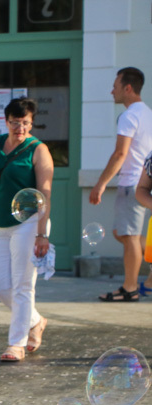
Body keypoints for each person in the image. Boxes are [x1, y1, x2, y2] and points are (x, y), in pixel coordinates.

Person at [0, 97, 53, 362]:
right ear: (6, 121)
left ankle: (16, 343)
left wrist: (42, 233)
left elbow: (45, 193)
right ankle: (36, 320)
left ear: (31, 122)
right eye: (15, 123)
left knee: (22, 285)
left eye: (25, 123)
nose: (20, 129)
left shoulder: (38, 150)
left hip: (27, 224)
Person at [90, 67, 152, 302]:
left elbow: (120, 154)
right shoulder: (147, 113)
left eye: (115, 86)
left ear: (128, 88)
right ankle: (138, 280)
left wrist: (100, 184)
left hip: (132, 183)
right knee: (124, 234)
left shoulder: (129, 116)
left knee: (129, 237)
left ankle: (129, 288)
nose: (111, 91)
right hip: (144, 181)